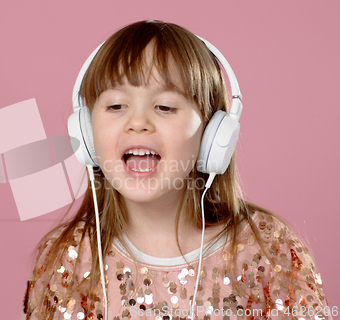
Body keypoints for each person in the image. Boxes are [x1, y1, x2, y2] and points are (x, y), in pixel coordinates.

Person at [22, 20, 332, 320]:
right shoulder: (70, 259)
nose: (138, 122)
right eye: (116, 105)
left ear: (213, 135)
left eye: (165, 107)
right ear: (87, 134)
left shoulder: (265, 250)